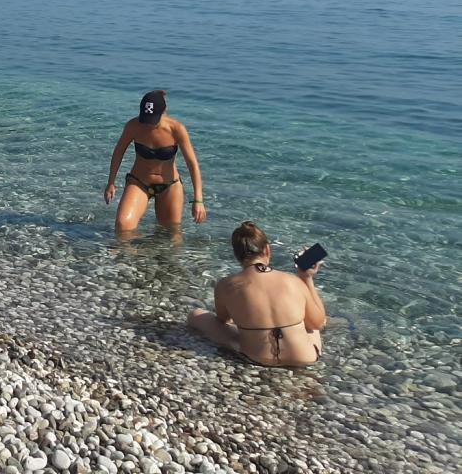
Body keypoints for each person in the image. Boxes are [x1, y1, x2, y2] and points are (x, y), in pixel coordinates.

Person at [187, 222, 327, 367]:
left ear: (237, 255)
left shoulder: (226, 285)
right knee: (313, 321)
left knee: (195, 315)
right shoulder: (293, 281)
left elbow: (223, 320)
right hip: (304, 358)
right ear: (267, 249)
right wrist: (306, 278)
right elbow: (317, 324)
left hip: (258, 357)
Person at [103, 90, 205, 233]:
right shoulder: (133, 126)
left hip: (169, 185)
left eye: (153, 119)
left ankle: (155, 255)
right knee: (123, 226)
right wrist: (111, 182)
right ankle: (131, 256)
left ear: (164, 111)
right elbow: (118, 153)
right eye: (146, 118)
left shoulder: (176, 129)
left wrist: (198, 200)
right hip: (139, 182)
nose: (149, 124)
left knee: (171, 235)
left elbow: (192, 164)